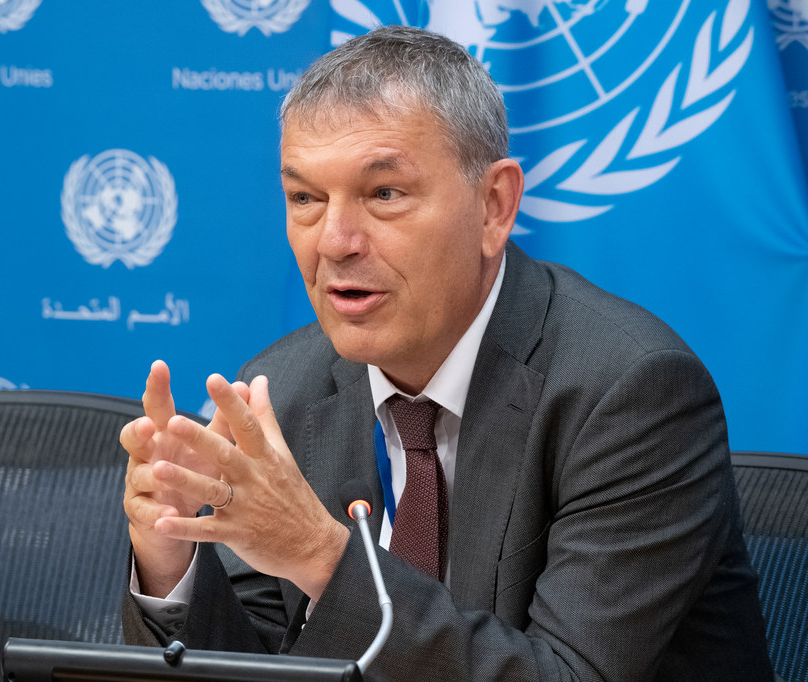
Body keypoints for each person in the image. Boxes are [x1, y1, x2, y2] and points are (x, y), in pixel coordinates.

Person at [119, 25, 773, 681]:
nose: (335, 242)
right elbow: (262, 662)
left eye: (384, 194)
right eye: (306, 199)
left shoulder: (630, 392)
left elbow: (571, 676)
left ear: (494, 206)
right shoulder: (283, 388)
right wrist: (171, 568)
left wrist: (319, 556)